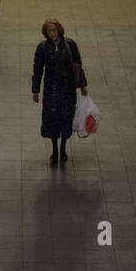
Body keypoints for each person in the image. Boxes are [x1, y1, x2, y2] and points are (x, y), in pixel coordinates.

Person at [31, 18, 88, 167]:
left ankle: (63, 148)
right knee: (52, 120)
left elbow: (78, 65)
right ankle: (55, 150)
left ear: (59, 30)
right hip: (51, 90)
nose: (52, 33)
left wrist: (82, 85)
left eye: (54, 30)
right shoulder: (42, 48)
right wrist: (35, 90)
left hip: (68, 90)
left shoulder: (70, 45)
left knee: (66, 120)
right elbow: (38, 69)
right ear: (46, 33)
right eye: (49, 31)